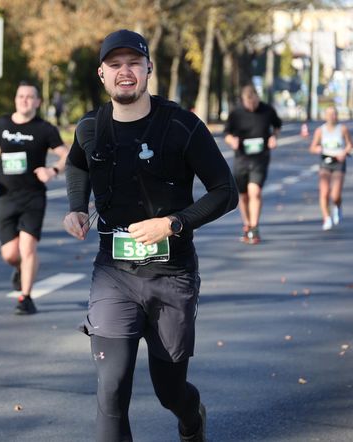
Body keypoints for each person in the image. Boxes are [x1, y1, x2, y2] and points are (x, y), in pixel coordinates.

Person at [63, 29, 238, 442]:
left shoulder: (181, 125)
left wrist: (175, 223)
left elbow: (225, 191)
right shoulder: (90, 126)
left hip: (171, 274)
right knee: (112, 387)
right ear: (102, 74)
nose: (125, 72)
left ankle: (191, 416)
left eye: (133, 63)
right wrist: (75, 207)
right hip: (114, 273)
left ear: (148, 70)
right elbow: (76, 163)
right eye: (115, 65)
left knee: (169, 390)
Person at [0, 81, 69, 315]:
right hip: (6, 197)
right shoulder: (3, 124)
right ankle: (21, 269)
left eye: (30, 97)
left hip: (33, 198)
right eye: (21, 96)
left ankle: (26, 297)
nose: (25, 100)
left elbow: (67, 154)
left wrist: (53, 171)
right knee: (10, 254)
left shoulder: (45, 129)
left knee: (28, 249)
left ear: (38, 102)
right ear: (15, 99)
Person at [224, 85, 282, 244]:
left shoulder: (267, 110)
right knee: (243, 195)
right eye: (249, 104)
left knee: (254, 192)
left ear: (258, 98)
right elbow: (227, 133)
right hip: (242, 158)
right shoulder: (236, 113)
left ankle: (254, 227)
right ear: (243, 101)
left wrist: (273, 138)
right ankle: (247, 224)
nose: (252, 106)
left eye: (255, 102)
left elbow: (277, 125)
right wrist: (232, 141)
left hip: (260, 158)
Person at [309, 106, 352, 230]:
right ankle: (327, 218)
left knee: (335, 194)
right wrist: (318, 149)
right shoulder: (320, 130)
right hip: (325, 162)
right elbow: (312, 147)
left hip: (339, 163)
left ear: (337, 115)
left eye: (333, 114)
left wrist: (344, 152)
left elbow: (350, 145)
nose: (331, 116)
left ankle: (337, 206)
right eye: (329, 114)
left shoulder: (342, 129)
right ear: (325, 116)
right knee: (324, 192)